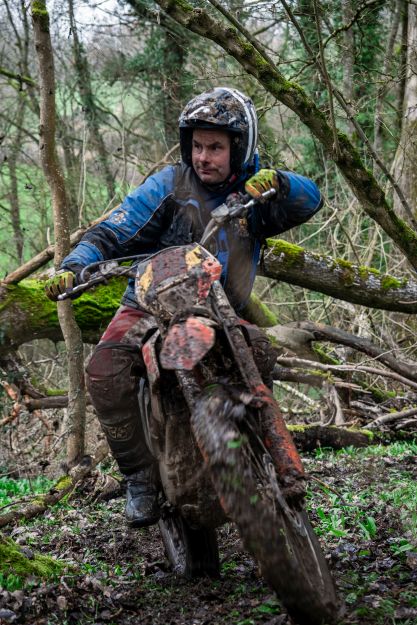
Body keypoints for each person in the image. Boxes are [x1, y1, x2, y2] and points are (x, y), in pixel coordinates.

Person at [45, 87, 323, 528]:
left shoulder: (255, 194)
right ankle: (138, 478)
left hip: (219, 308)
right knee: (104, 371)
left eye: (215, 147)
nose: (203, 157)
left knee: (259, 351)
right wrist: (74, 265)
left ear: (239, 148)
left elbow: (310, 200)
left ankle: (258, 445)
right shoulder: (169, 185)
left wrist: (281, 184)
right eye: (197, 146)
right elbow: (112, 231)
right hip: (148, 306)